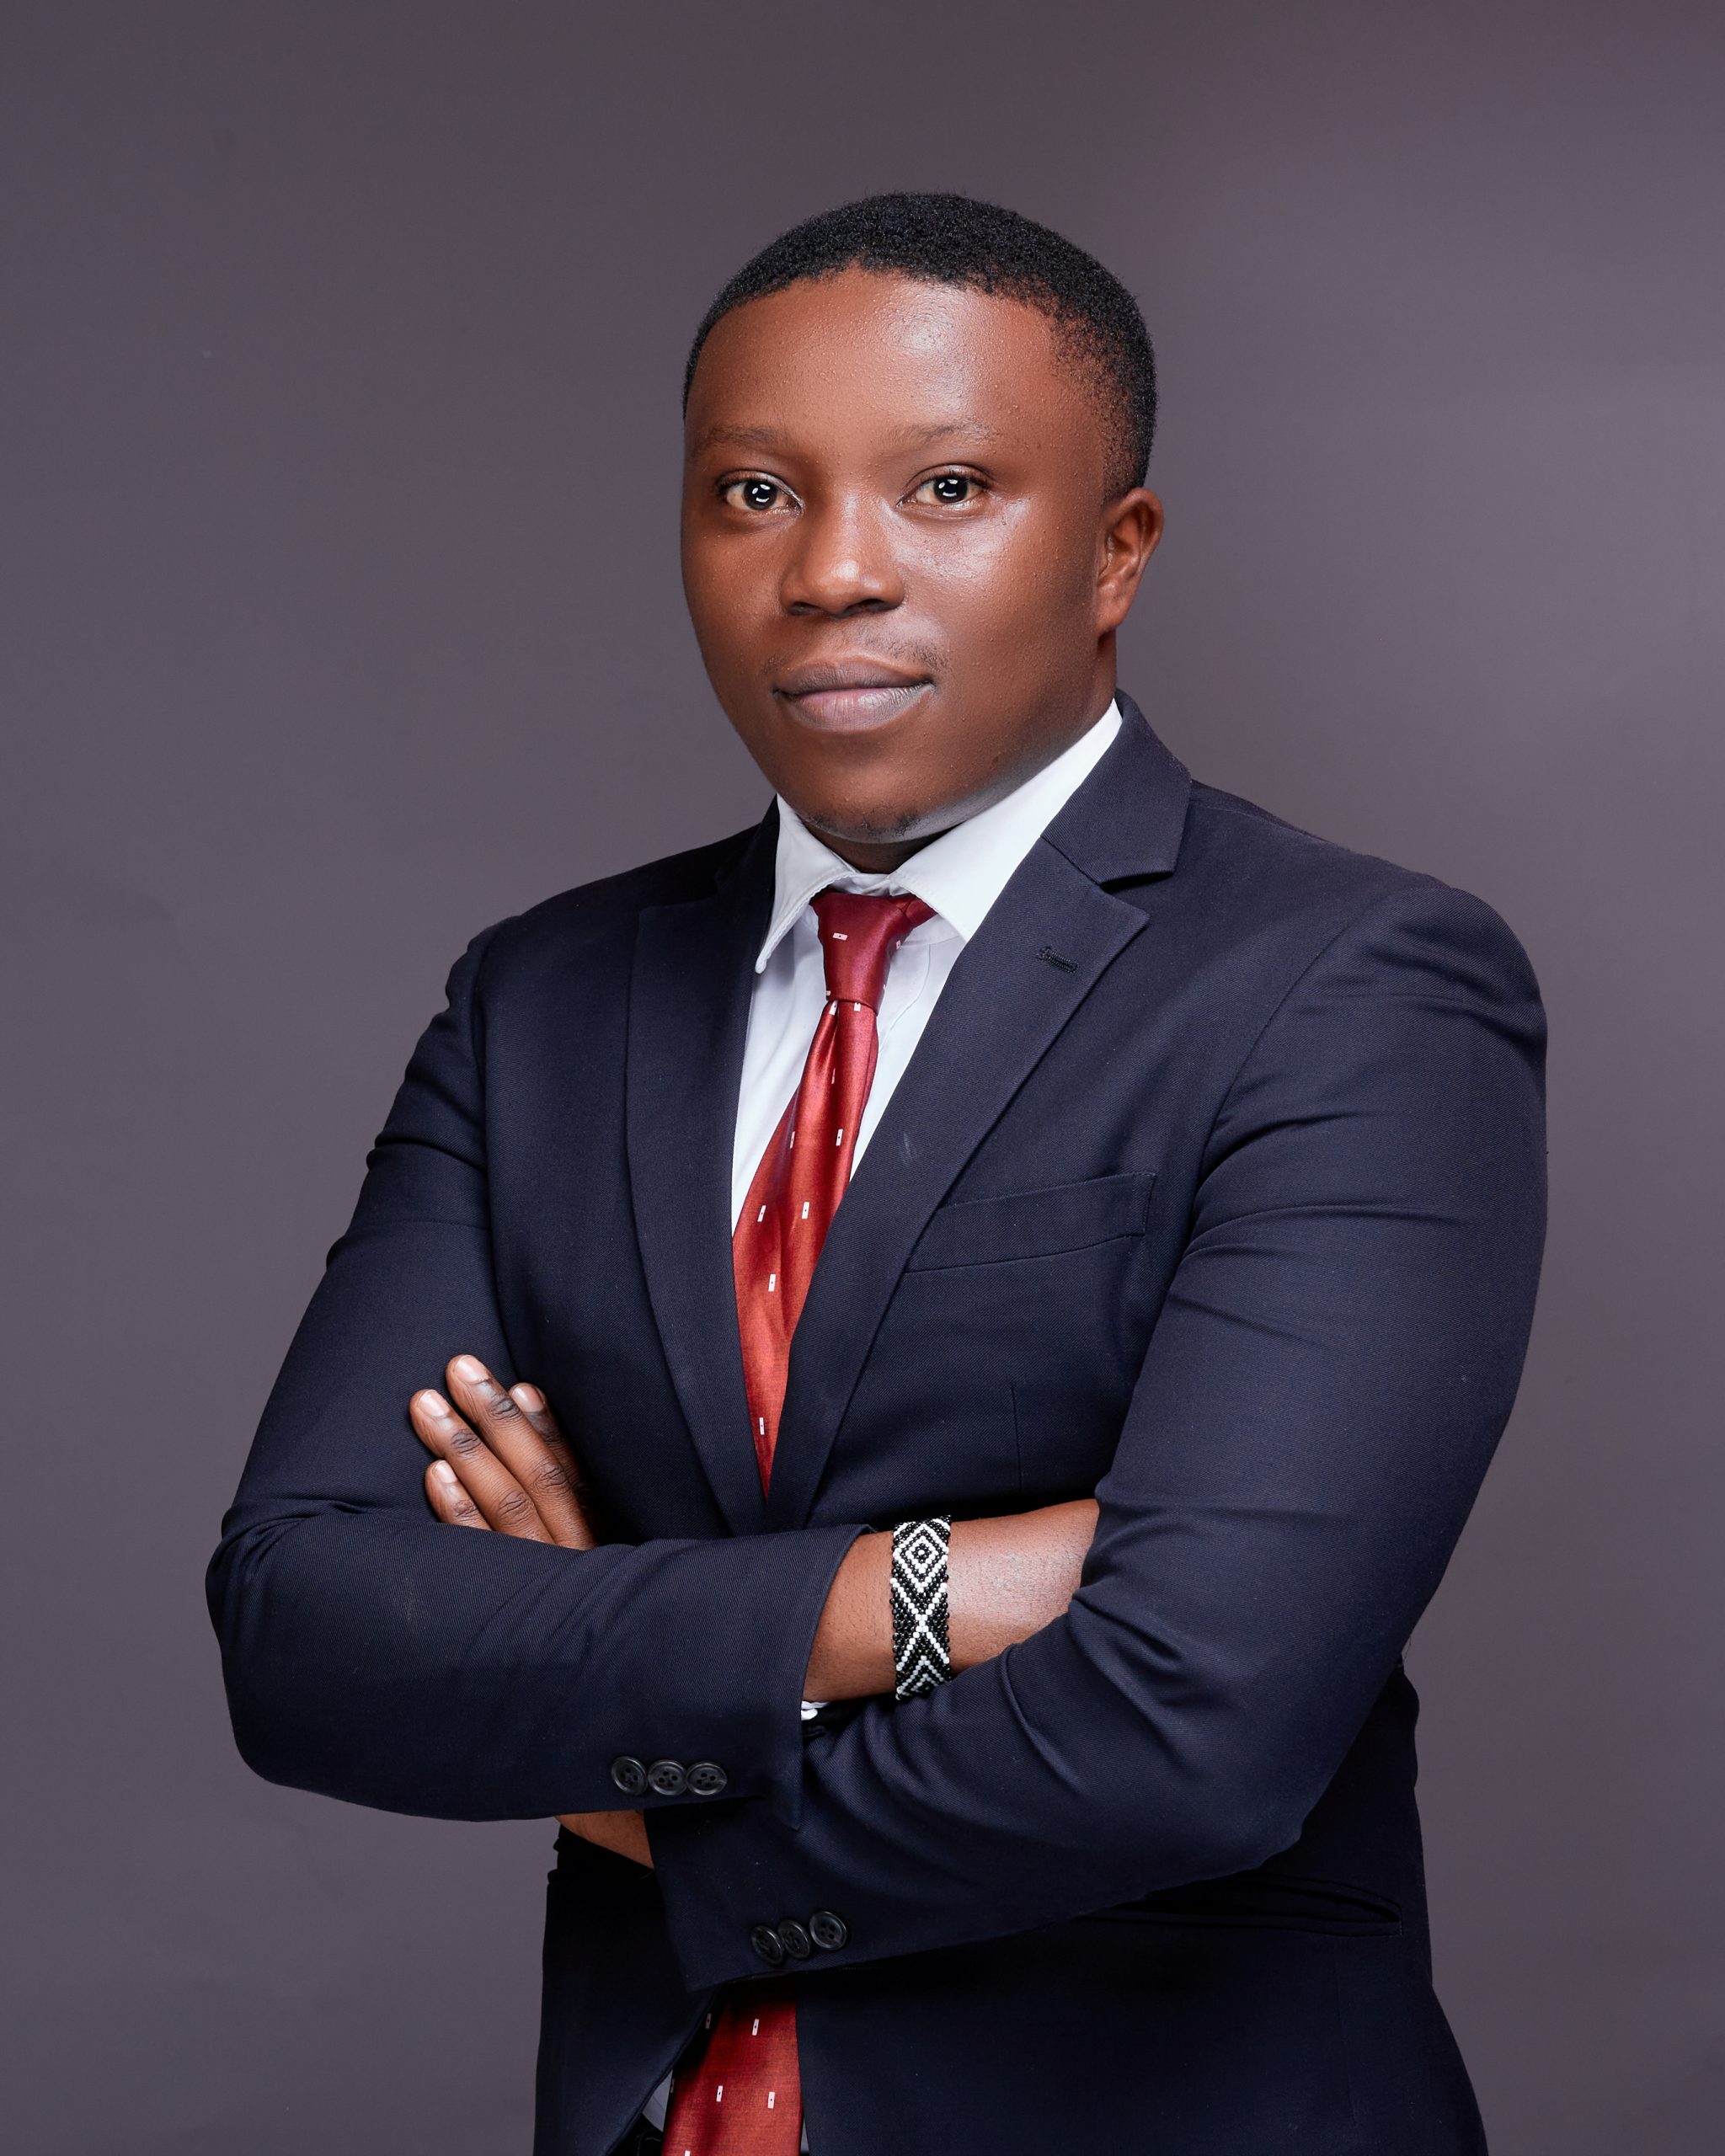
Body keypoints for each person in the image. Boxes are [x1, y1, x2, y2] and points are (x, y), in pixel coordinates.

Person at [208, 193, 1546, 2156]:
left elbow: (1198, 1723)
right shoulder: (542, 1000)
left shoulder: (1348, 984)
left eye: (946, 487)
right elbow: (304, 1629)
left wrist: (616, 1734)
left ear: (1116, 548)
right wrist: (905, 1592)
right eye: (753, 491)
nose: (830, 571)